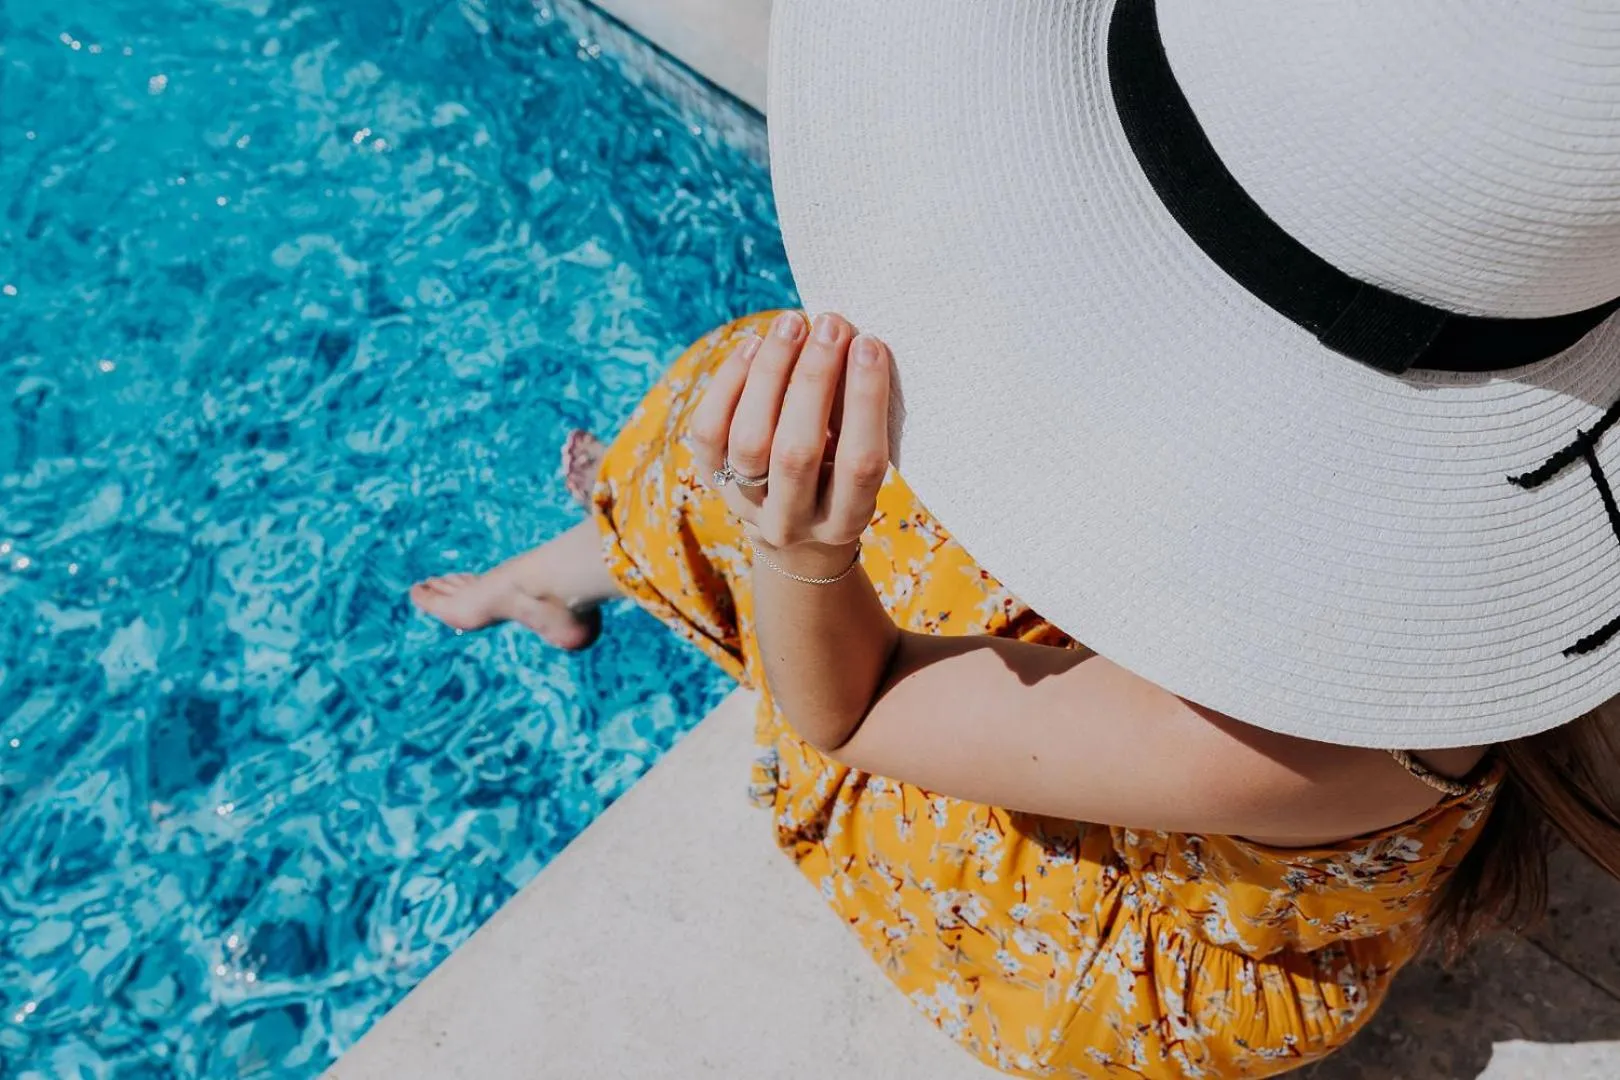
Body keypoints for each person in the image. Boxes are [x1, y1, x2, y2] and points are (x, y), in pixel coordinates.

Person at [412, 1, 1620, 1075]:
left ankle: (560, 577)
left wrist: (801, 551)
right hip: (1220, 750)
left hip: (1136, 939)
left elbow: (856, 712)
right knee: (792, 429)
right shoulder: (1497, 441)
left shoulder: (1304, 735)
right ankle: (579, 567)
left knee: (750, 451)